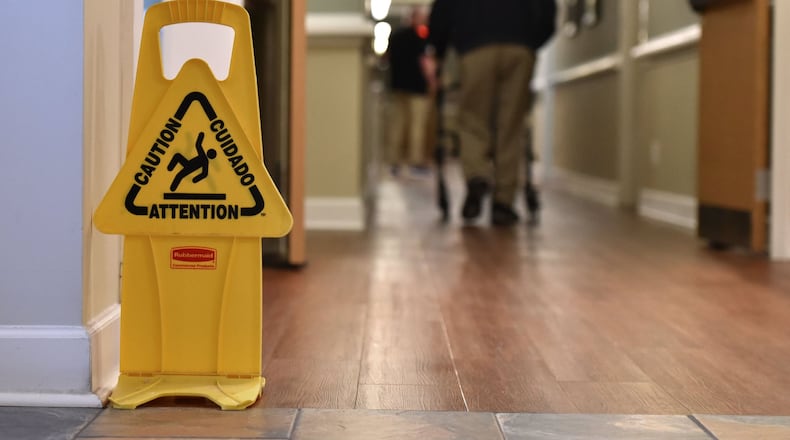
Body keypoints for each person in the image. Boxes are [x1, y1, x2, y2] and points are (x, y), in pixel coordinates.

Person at [424, 0, 557, 226]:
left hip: (475, 45)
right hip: (519, 45)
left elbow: (442, 13)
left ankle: (477, 176)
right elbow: (548, 11)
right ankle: (503, 202)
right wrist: (531, 40)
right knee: (511, 125)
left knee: (473, 119)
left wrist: (439, 49)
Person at [386, 6, 433, 176]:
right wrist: (432, 80)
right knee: (416, 125)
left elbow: (387, 58)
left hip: (398, 86)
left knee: (397, 125)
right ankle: (415, 161)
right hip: (417, 88)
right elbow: (425, 63)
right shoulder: (420, 38)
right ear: (415, 18)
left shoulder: (396, 36)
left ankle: (394, 160)